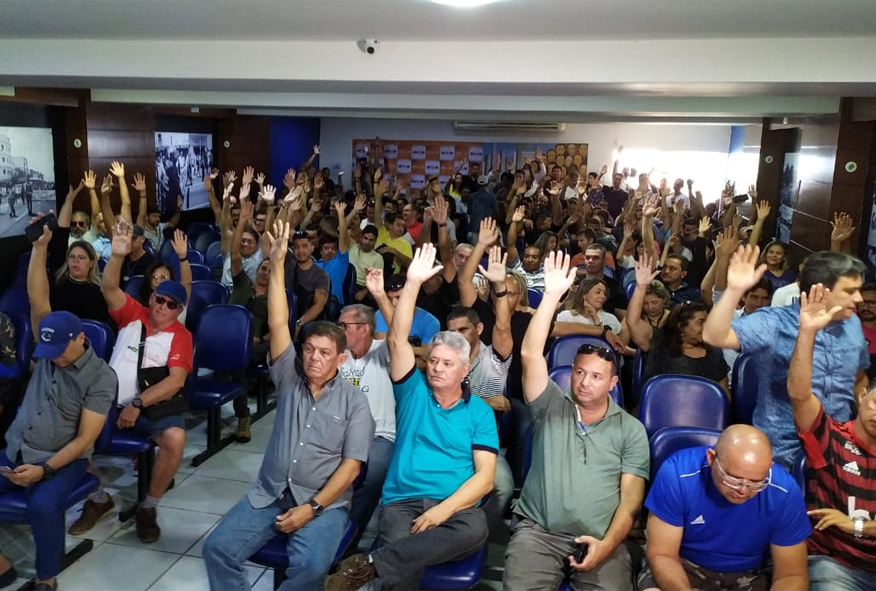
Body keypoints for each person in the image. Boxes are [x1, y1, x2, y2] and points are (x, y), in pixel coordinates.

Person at [203, 219, 374, 591]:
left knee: (310, 569)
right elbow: (279, 323)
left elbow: (350, 469)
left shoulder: (356, 402)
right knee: (217, 549)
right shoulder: (290, 377)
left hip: (323, 505)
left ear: (341, 359)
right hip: (270, 493)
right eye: (309, 349)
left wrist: (312, 508)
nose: (313, 358)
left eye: (324, 353)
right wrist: (278, 263)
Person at [325, 244, 498, 591]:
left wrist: (441, 512)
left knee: (476, 528)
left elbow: (484, 479)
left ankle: (371, 565)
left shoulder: (479, 410)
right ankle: (393, 561)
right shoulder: (412, 391)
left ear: (464, 370)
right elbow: (397, 340)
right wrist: (413, 283)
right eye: (433, 361)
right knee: (404, 566)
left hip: (455, 507)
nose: (436, 368)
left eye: (447, 364)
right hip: (403, 501)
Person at [503, 250, 649, 591]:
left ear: (613, 384)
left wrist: (608, 545)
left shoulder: (631, 430)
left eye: (596, 377)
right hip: (539, 533)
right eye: (580, 373)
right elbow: (529, 354)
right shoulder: (551, 404)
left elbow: (631, 500)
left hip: (601, 537)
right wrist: (551, 296)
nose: (584, 382)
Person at [6, 223, 117, 591]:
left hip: (61, 460)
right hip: (16, 448)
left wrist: (43, 469)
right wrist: (40, 249)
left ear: (81, 338)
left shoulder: (101, 378)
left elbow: (85, 440)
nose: (52, 357)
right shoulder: (50, 351)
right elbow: (38, 300)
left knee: (42, 505)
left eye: (59, 351)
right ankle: (3, 566)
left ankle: (46, 578)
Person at [70, 222, 192, 543]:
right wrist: (117, 255)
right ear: (151, 298)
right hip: (107, 401)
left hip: (150, 405)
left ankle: (148, 506)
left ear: (180, 310)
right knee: (69, 428)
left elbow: (176, 381)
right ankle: (98, 498)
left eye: (171, 305)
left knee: (176, 438)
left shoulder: (181, 335)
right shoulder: (133, 314)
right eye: (159, 299)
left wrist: (138, 403)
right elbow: (109, 288)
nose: (163, 307)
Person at [703, 246, 869, 469]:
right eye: (850, 291)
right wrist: (734, 290)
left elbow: (859, 379)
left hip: (837, 446)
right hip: (782, 448)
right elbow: (713, 335)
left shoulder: (853, 324)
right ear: (821, 290)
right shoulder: (774, 322)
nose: (859, 298)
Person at [639, 425, 810, 591]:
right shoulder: (678, 474)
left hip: (753, 572)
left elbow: (791, 575)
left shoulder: (784, 491)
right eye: (733, 479)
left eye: (756, 482)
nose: (743, 490)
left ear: (769, 467)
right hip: (685, 564)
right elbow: (663, 554)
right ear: (711, 458)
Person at [787, 285, 876, 591]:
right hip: (836, 564)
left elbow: (856, 525)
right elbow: (799, 396)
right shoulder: (832, 438)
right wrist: (807, 332)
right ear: (862, 396)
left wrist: (857, 525)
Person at [337, 303, 396, 551]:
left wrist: (381, 296)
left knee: (372, 476)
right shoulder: (337, 354)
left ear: (364, 328)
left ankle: (346, 540)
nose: (338, 330)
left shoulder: (382, 351)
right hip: (339, 433)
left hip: (378, 436)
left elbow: (397, 334)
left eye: (344, 326)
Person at [629, 253, 729, 393]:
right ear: (681, 326)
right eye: (701, 322)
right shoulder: (659, 342)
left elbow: (723, 398)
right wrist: (641, 287)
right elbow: (632, 322)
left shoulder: (713, 355)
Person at [368, 272, 440, 345]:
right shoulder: (380, 314)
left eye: (398, 297)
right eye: (389, 298)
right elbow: (383, 346)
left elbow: (426, 351)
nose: (393, 303)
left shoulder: (431, 322)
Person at [284, 228, 330, 335]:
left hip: (306, 320)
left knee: (308, 329)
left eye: (304, 246)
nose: (300, 251)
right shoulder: (287, 266)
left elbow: (319, 306)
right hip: (284, 314)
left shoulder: (321, 275)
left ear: (312, 248)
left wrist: (299, 323)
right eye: (296, 247)